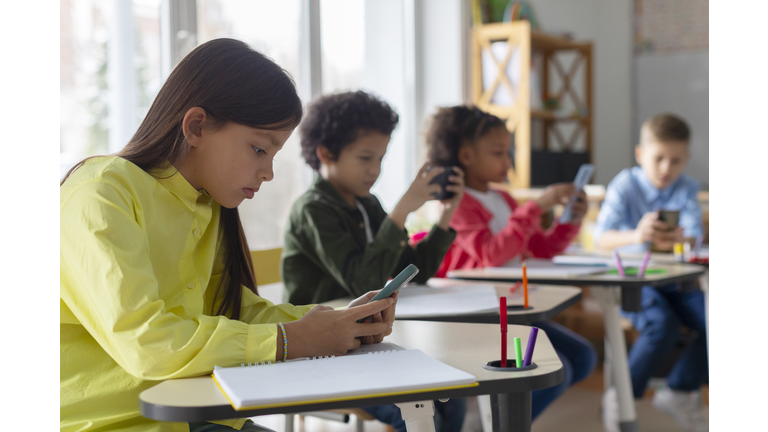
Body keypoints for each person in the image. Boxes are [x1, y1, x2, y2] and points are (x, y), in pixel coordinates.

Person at [60, 39, 397, 432]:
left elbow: (233, 310)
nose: (268, 172)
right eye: (258, 149)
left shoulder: (206, 203)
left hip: (197, 414)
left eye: (273, 155)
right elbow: (148, 344)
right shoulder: (100, 195)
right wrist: (291, 340)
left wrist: (336, 324)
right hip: (114, 423)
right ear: (196, 126)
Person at [281, 91, 466, 432]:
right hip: (323, 347)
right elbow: (361, 280)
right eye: (365, 158)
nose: (375, 170)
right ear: (325, 153)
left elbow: (416, 270)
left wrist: (445, 216)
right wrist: (401, 211)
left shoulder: (367, 204)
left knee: (451, 397)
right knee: (422, 409)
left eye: (380, 159)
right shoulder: (313, 209)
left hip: (364, 340)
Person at [425, 105, 597, 421]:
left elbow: (539, 249)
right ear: (466, 156)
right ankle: (496, 425)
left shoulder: (503, 199)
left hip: (511, 307)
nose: (509, 160)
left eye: (509, 151)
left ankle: (499, 423)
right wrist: (535, 206)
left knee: (582, 357)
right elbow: (492, 253)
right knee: (558, 369)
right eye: (498, 152)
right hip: (478, 314)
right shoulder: (457, 203)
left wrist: (569, 220)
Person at [593, 113, 708, 432]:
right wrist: (637, 235)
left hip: (676, 281)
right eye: (658, 159)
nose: (665, 169)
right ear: (641, 154)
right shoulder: (625, 184)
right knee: (661, 325)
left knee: (715, 321)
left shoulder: (686, 186)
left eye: (676, 160)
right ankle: (622, 397)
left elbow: (695, 236)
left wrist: (682, 237)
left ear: (686, 158)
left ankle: (679, 391)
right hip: (636, 278)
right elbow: (601, 237)